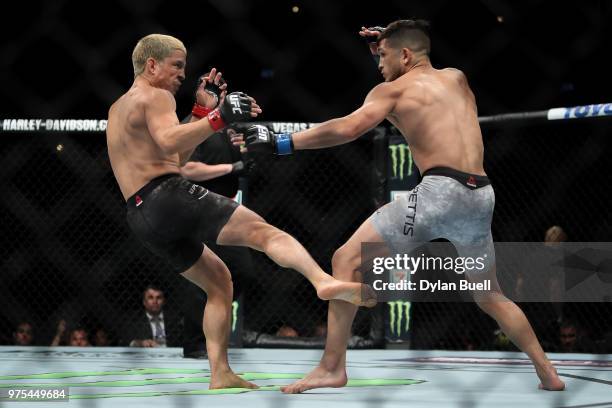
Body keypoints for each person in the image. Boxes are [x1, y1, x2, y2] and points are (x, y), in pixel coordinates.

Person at [245, 19, 565, 392]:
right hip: (481, 196)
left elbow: (348, 128)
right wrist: (388, 45)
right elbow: (422, 93)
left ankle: (332, 367)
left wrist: (284, 142)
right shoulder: (457, 78)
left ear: (406, 54)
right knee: (490, 295)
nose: (378, 64)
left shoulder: (390, 91)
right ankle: (548, 373)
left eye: (382, 56)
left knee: (346, 259)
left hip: (439, 195)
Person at [105, 34, 375, 390]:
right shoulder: (157, 96)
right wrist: (219, 117)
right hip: (167, 196)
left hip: (141, 216)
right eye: (177, 65)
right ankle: (323, 281)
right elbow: (171, 143)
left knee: (219, 283)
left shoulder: (118, 107)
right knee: (266, 233)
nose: (182, 75)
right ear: (151, 64)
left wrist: (202, 112)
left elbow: (174, 159)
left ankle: (220, 373)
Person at [180, 122, 255, 358]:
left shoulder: (230, 131)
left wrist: (244, 155)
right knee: (202, 278)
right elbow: (187, 169)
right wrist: (232, 167)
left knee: (242, 270)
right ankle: (194, 344)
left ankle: (211, 330)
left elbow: (241, 165)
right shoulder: (194, 127)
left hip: (227, 209)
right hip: (200, 207)